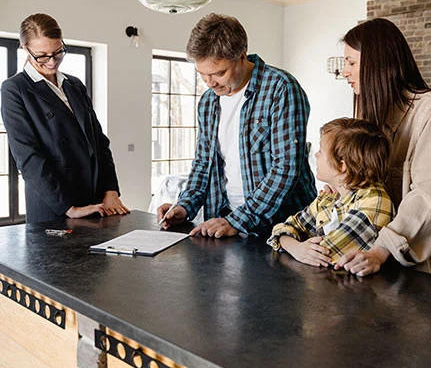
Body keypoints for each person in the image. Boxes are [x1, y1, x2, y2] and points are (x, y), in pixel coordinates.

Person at [157, 13, 316, 237]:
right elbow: (204, 162)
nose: (210, 83)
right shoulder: (208, 101)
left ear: (242, 56)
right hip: (226, 220)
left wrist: (239, 220)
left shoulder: (281, 88)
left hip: (282, 227)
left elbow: (286, 167)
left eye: (219, 73)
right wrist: (184, 206)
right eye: (202, 75)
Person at [336, 17, 431, 276]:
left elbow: (428, 196)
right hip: (371, 261)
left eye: (351, 62)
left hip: (419, 269)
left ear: (377, 63)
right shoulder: (370, 117)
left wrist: (380, 250)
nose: (344, 72)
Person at [1, 13, 129, 223]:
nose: (52, 62)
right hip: (55, 205)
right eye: (42, 56)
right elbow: (28, 157)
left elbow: (99, 142)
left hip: (95, 200)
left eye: (58, 53)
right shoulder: (14, 89)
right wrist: (69, 208)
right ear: (25, 48)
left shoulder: (74, 84)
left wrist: (110, 190)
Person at [267, 118, 394, 267]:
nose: (316, 155)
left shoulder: (374, 202)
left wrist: (298, 247)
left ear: (342, 166)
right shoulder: (330, 197)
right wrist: (297, 248)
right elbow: (282, 228)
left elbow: (324, 254)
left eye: (321, 151)